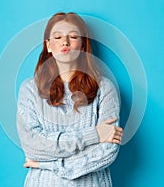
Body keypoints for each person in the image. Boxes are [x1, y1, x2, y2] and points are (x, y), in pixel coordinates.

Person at [16, 12, 123, 187]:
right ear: (48, 45)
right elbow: (33, 146)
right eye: (57, 37)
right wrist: (94, 135)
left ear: (82, 45)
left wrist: (49, 164)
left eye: (73, 36)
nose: (65, 42)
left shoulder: (104, 88)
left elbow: (107, 150)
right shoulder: (29, 89)